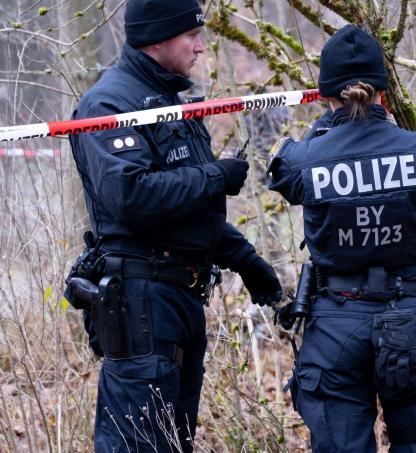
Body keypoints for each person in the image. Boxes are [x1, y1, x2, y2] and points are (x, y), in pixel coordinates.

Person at [66, 0, 282, 451]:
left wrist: (246, 261)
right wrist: (215, 175)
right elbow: (132, 198)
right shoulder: (108, 103)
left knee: (174, 441)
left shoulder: (166, 101)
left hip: (180, 300)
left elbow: (190, 210)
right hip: (141, 303)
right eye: (192, 36)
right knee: (137, 443)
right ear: (157, 39)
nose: (201, 47)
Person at [266, 25, 416, 452]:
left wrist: (328, 125)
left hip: (336, 324)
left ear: (327, 97)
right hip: (409, 314)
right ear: (384, 94)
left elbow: (278, 169)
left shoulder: (308, 158)